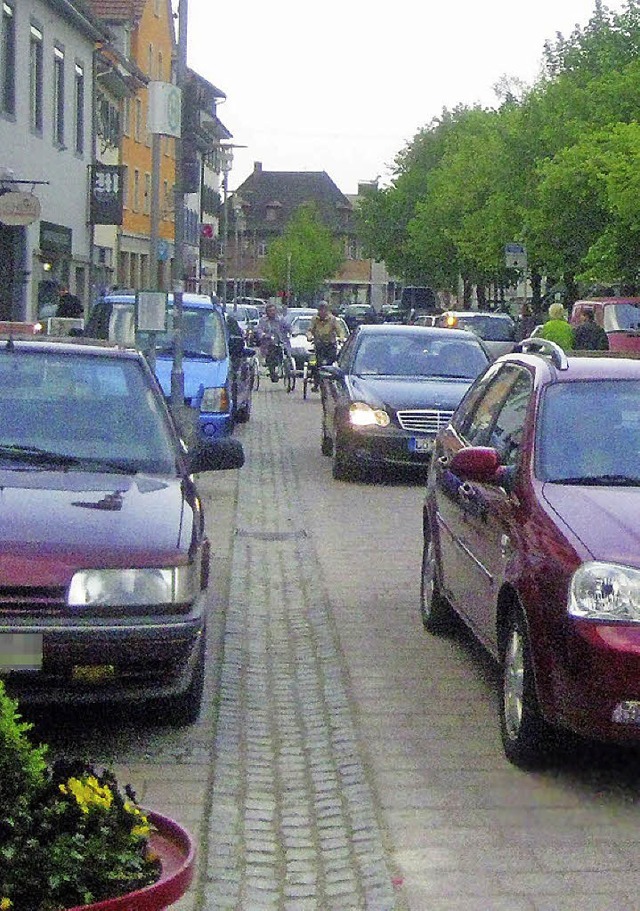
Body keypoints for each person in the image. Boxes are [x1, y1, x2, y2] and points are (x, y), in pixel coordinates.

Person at [306, 301, 346, 388]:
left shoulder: (332, 319)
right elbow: (310, 330)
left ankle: (331, 381)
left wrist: (341, 338)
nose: (322, 312)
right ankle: (316, 383)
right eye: (321, 310)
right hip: (319, 345)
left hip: (330, 345)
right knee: (316, 363)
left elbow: (340, 330)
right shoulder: (314, 319)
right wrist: (309, 336)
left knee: (330, 362)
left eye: (324, 310)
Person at [255, 302, 291, 382]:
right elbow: (259, 330)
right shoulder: (263, 321)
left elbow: (288, 326)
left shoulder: (280, 320)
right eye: (270, 311)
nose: (272, 312)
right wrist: (263, 334)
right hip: (268, 344)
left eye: (273, 310)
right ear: (267, 312)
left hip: (280, 342)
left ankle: (286, 367)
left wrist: (291, 331)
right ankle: (272, 372)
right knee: (271, 355)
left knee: (285, 352)